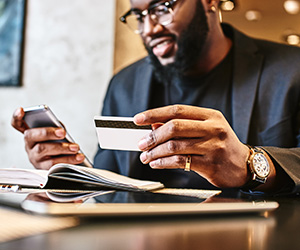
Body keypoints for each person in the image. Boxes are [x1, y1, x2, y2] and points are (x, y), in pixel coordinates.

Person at [12, 0, 300, 195]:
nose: (149, 29)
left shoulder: (291, 69)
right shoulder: (123, 84)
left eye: (163, 7)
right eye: (139, 15)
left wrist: (251, 163)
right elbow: (111, 183)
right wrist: (71, 173)